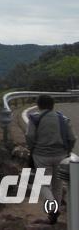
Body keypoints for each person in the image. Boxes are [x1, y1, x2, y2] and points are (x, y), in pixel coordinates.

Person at [26, 94, 77, 225]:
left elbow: (30, 136)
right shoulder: (63, 119)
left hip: (41, 155)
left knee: (43, 184)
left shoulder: (35, 118)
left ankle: (53, 210)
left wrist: (33, 148)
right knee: (58, 185)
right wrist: (68, 151)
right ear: (53, 105)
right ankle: (54, 215)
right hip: (61, 155)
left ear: (38, 105)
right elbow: (72, 138)